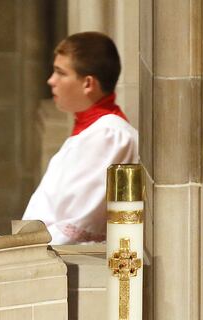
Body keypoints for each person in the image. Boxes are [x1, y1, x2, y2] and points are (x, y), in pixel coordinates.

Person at [23, 32, 139, 244]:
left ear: (88, 83)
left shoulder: (110, 136)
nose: (51, 80)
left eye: (60, 73)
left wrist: (23, 252)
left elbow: (80, 223)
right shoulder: (93, 132)